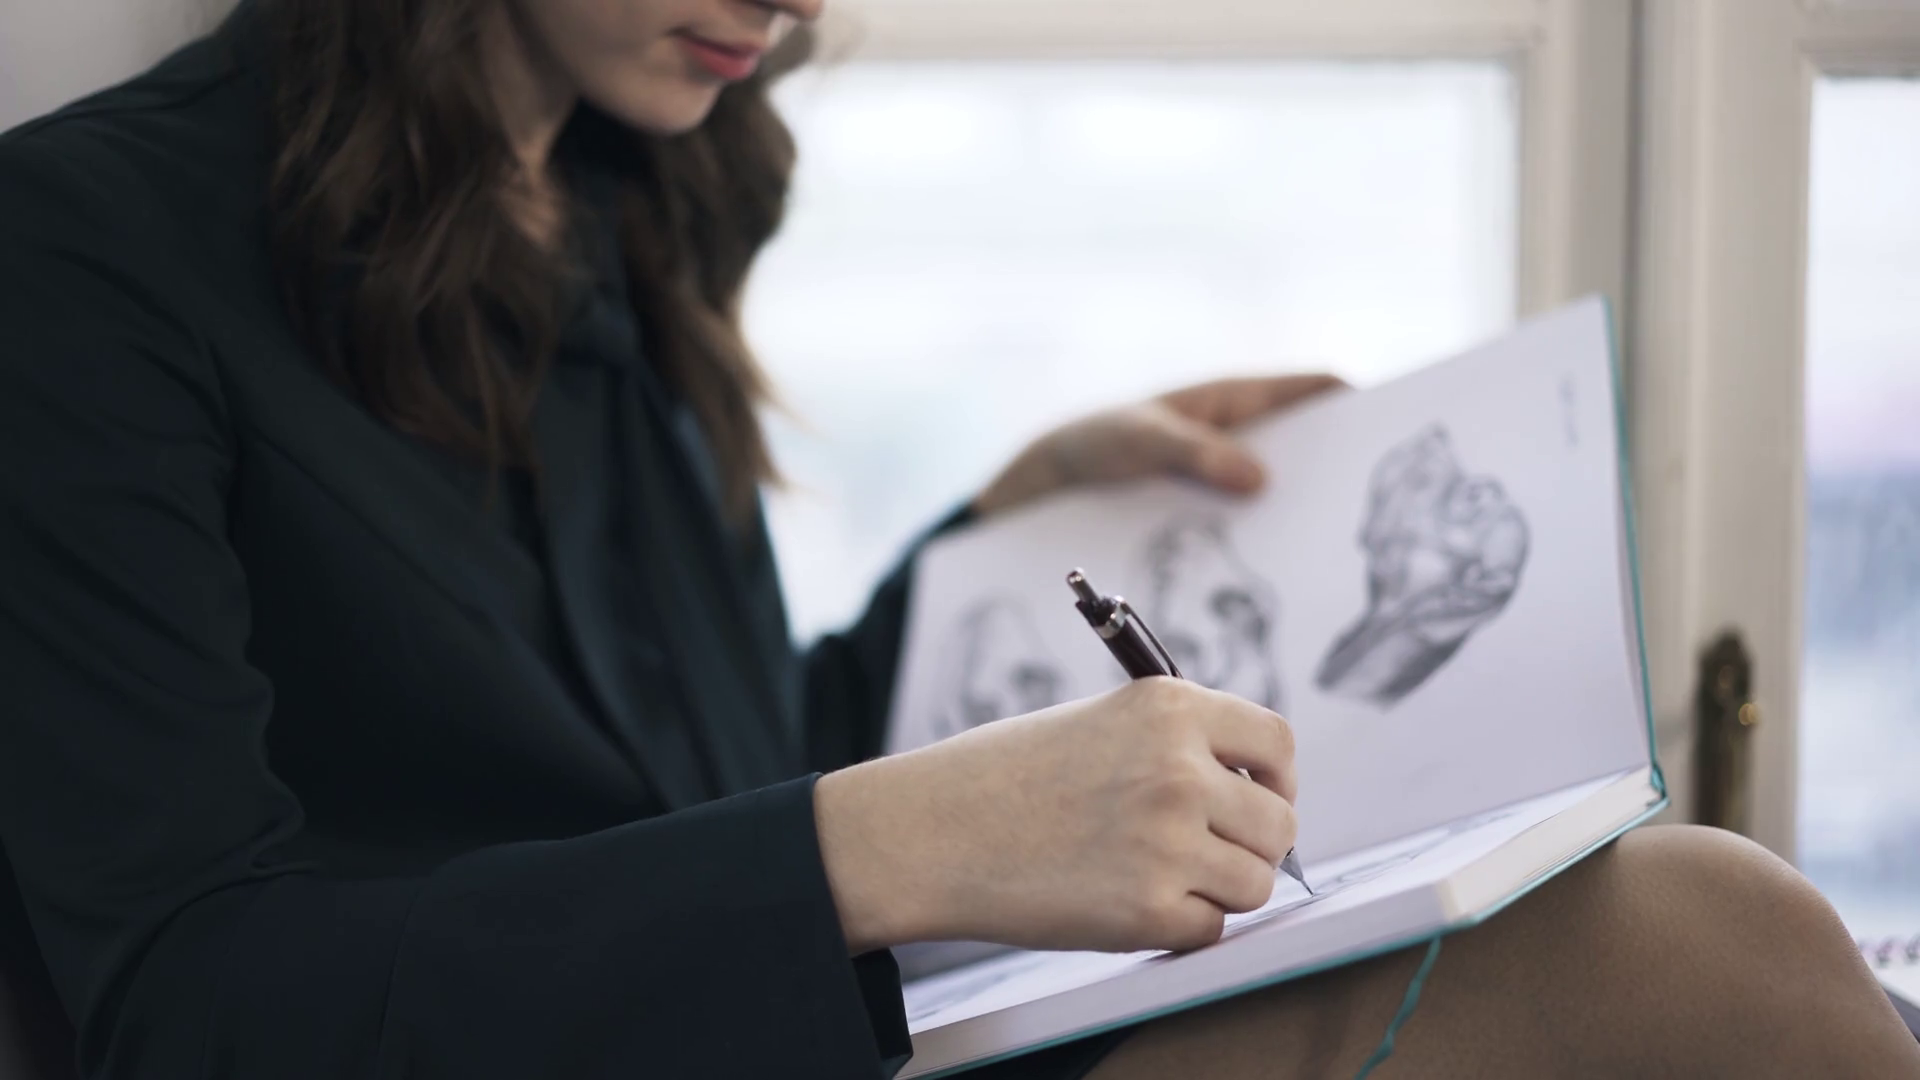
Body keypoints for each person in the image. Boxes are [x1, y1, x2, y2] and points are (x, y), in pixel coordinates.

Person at [0, 0, 1912, 1077]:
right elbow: (183, 1001)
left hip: (816, 1038)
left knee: (1728, 936)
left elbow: (667, 781)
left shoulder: (623, 185)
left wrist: (994, 539)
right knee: (1716, 960)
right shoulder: (87, 257)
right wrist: (880, 845)